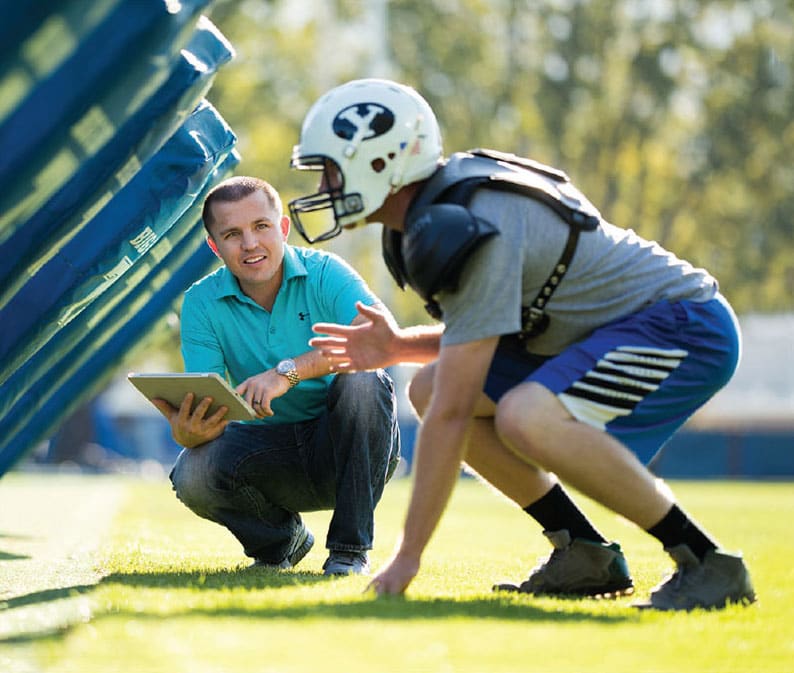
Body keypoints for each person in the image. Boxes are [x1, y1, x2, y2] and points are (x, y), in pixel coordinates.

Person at [288, 78, 756, 610]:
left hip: (685, 326)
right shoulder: (434, 217)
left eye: (329, 168)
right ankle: (583, 552)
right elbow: (482, 336)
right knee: (429, 385)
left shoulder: (470, 221)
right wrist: (398, 347)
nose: (324, 185)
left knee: (522, 415)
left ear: (380, 161)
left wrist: (408, 557)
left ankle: (707, 561)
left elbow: (455, 413)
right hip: (606, 332)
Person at [153, 176, 401, 576]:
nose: (250, 244)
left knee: (362, 380)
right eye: (233, 234)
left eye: (261, 227)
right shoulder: (201, 301)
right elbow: (212, 406)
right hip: (267, 451)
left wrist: (288, 372)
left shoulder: (325, 273)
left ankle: (349, 552)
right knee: (191, 472)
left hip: (349, 449)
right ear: (215, 246)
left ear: (282, 228)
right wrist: (188, 434)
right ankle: (281, 541)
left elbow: (380, 338)